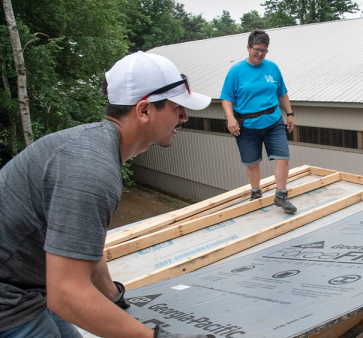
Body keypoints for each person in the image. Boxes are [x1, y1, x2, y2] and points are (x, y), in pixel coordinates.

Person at [0, 52, 215, 338]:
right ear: (144, 110)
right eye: (178, 108)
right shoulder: (90, 171)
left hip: (29, 285)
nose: (185, 117)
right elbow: (66, 296)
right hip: (10, 298)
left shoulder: (95, 147)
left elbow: (81, 246)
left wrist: (114, 297)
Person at [221, 29, 297, 214]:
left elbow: (282, 92)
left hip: (273, 121)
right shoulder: (236, 71)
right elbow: (226, 98)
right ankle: (256, 193)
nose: (260, 54)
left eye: (264, 50)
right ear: (248, 47)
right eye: (257, 49)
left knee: (283, 157)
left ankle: (281, 195)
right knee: (252, 162)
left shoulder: (272, 67)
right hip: (247, 125)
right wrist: (230, 118)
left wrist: (290, 113)